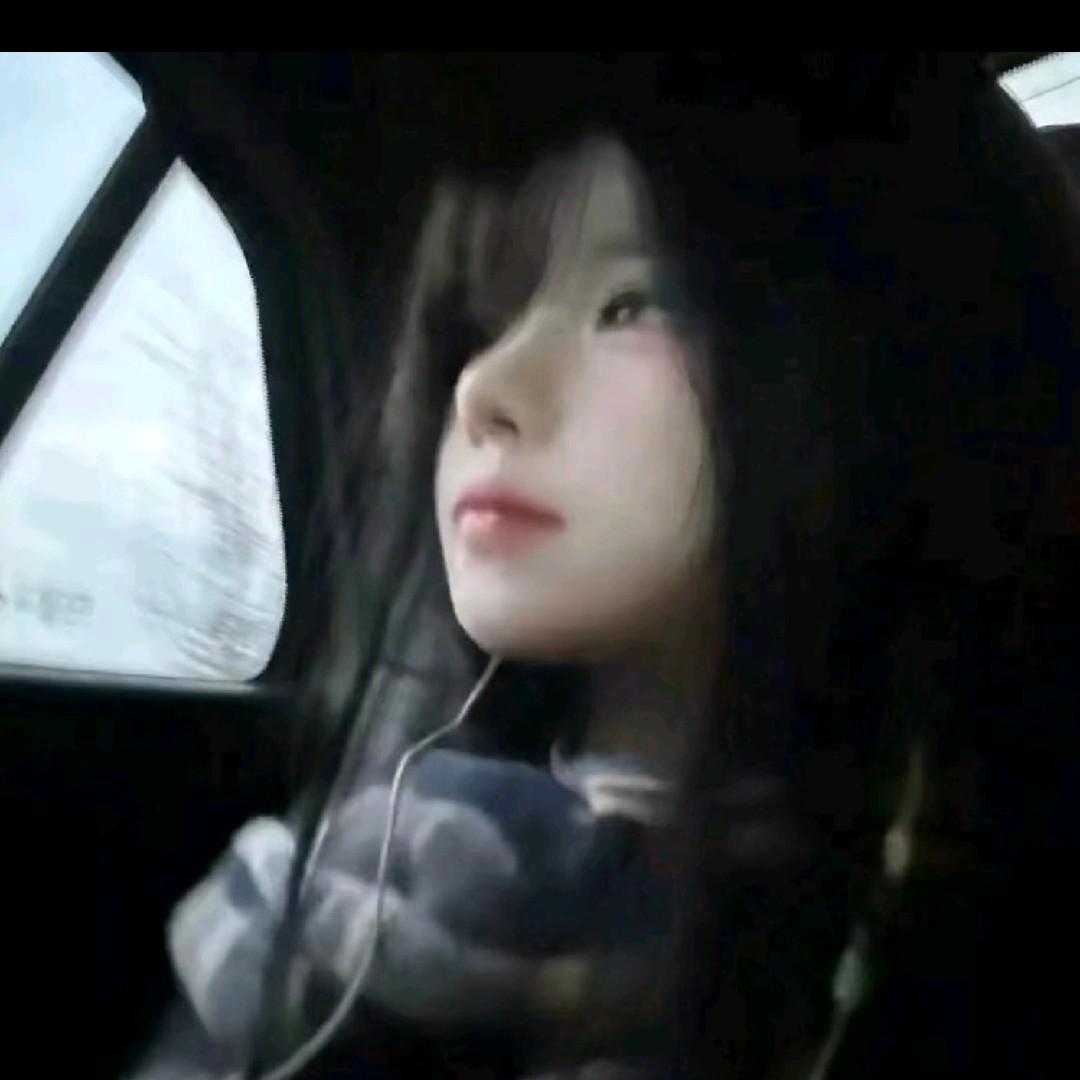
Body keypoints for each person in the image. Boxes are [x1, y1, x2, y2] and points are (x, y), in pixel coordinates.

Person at [129, 54, 1080, 1080]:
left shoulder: (939, 948)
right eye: (482, 322)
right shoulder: (356, 881)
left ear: (881, 374)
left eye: (636, 303)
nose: (485, 386)